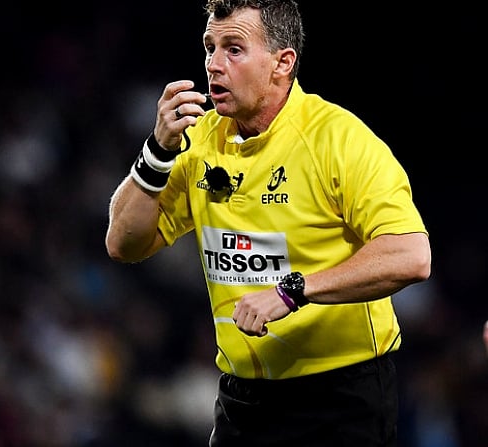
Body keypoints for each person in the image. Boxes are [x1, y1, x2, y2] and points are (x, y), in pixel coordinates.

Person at [104, 1, 432, 446]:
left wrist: (291, 291)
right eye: (209, 48)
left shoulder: (338, 140)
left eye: (233, 49)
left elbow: (411, 255)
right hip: (243, 400)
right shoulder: (198, 140)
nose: (214, 65)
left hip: (340, 399)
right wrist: (158, 150)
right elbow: (124, 243)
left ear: (283, 63)